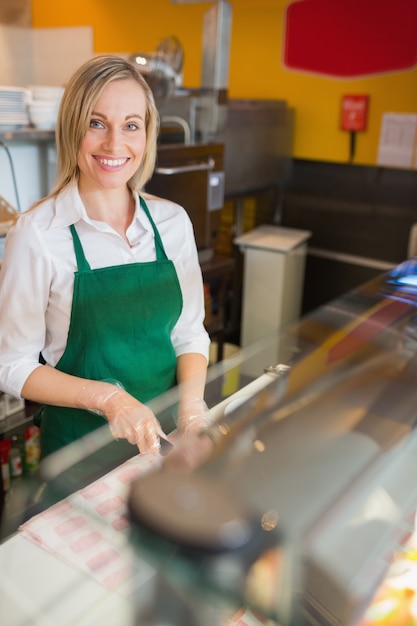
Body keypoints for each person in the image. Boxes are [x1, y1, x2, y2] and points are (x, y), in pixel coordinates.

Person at [0, 55, 211, 460]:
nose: (115, 144)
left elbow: (188, 333)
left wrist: (191, 413)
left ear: (147, 135)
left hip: (165, 444)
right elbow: (12, 364)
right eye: (97, 123)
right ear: (72, 129)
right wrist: (109, 399)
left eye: (131, 125)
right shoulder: (37, 234)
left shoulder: (172, 222)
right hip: (78, 455)